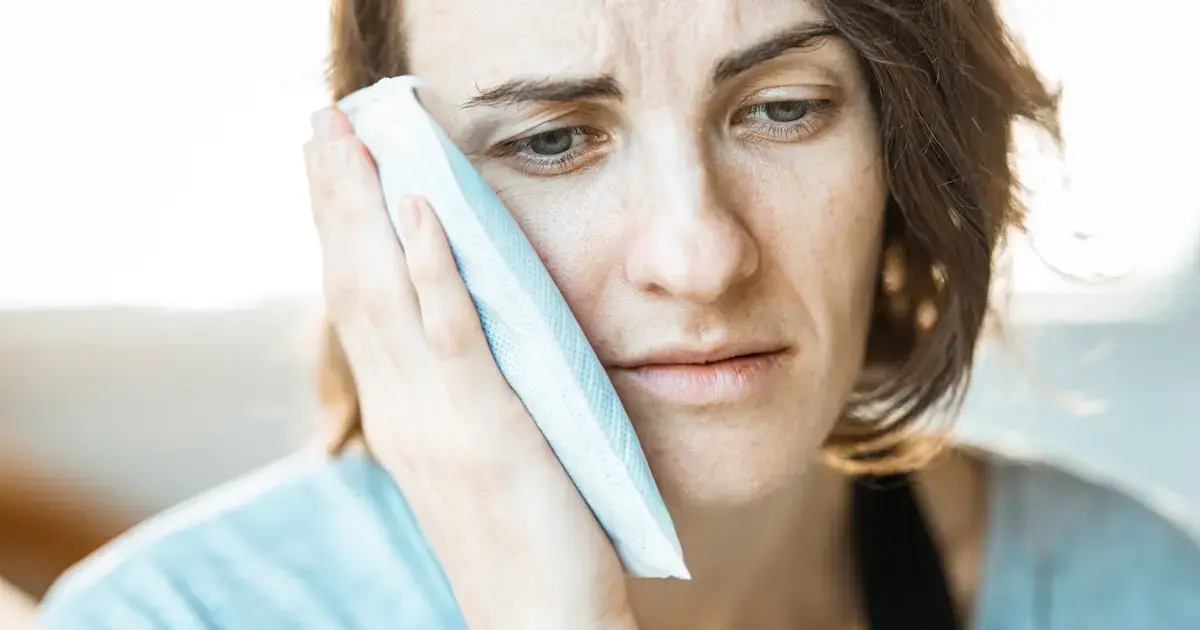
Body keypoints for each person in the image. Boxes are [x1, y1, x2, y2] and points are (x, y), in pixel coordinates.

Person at [35, 0, 1200, 628]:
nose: (698, 256)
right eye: (552, 141)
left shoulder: (1131, 591)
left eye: (785, 110)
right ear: (390, 196)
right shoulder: (169, 622)